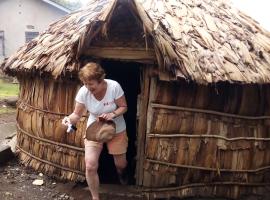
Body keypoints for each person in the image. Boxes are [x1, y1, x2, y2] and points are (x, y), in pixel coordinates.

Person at [62, 62, 128, 200]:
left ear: (101, 80)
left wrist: (112, 114)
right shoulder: (84, 91)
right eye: (85, 83)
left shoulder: (114, 87)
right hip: (94, 130)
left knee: (120, 164)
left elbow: (123, 107)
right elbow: (76, 115)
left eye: (91, 84)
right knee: (90, 165)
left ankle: (122, 174)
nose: (87, 87)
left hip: (116, 128)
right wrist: (68, 119)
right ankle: (95, 197)